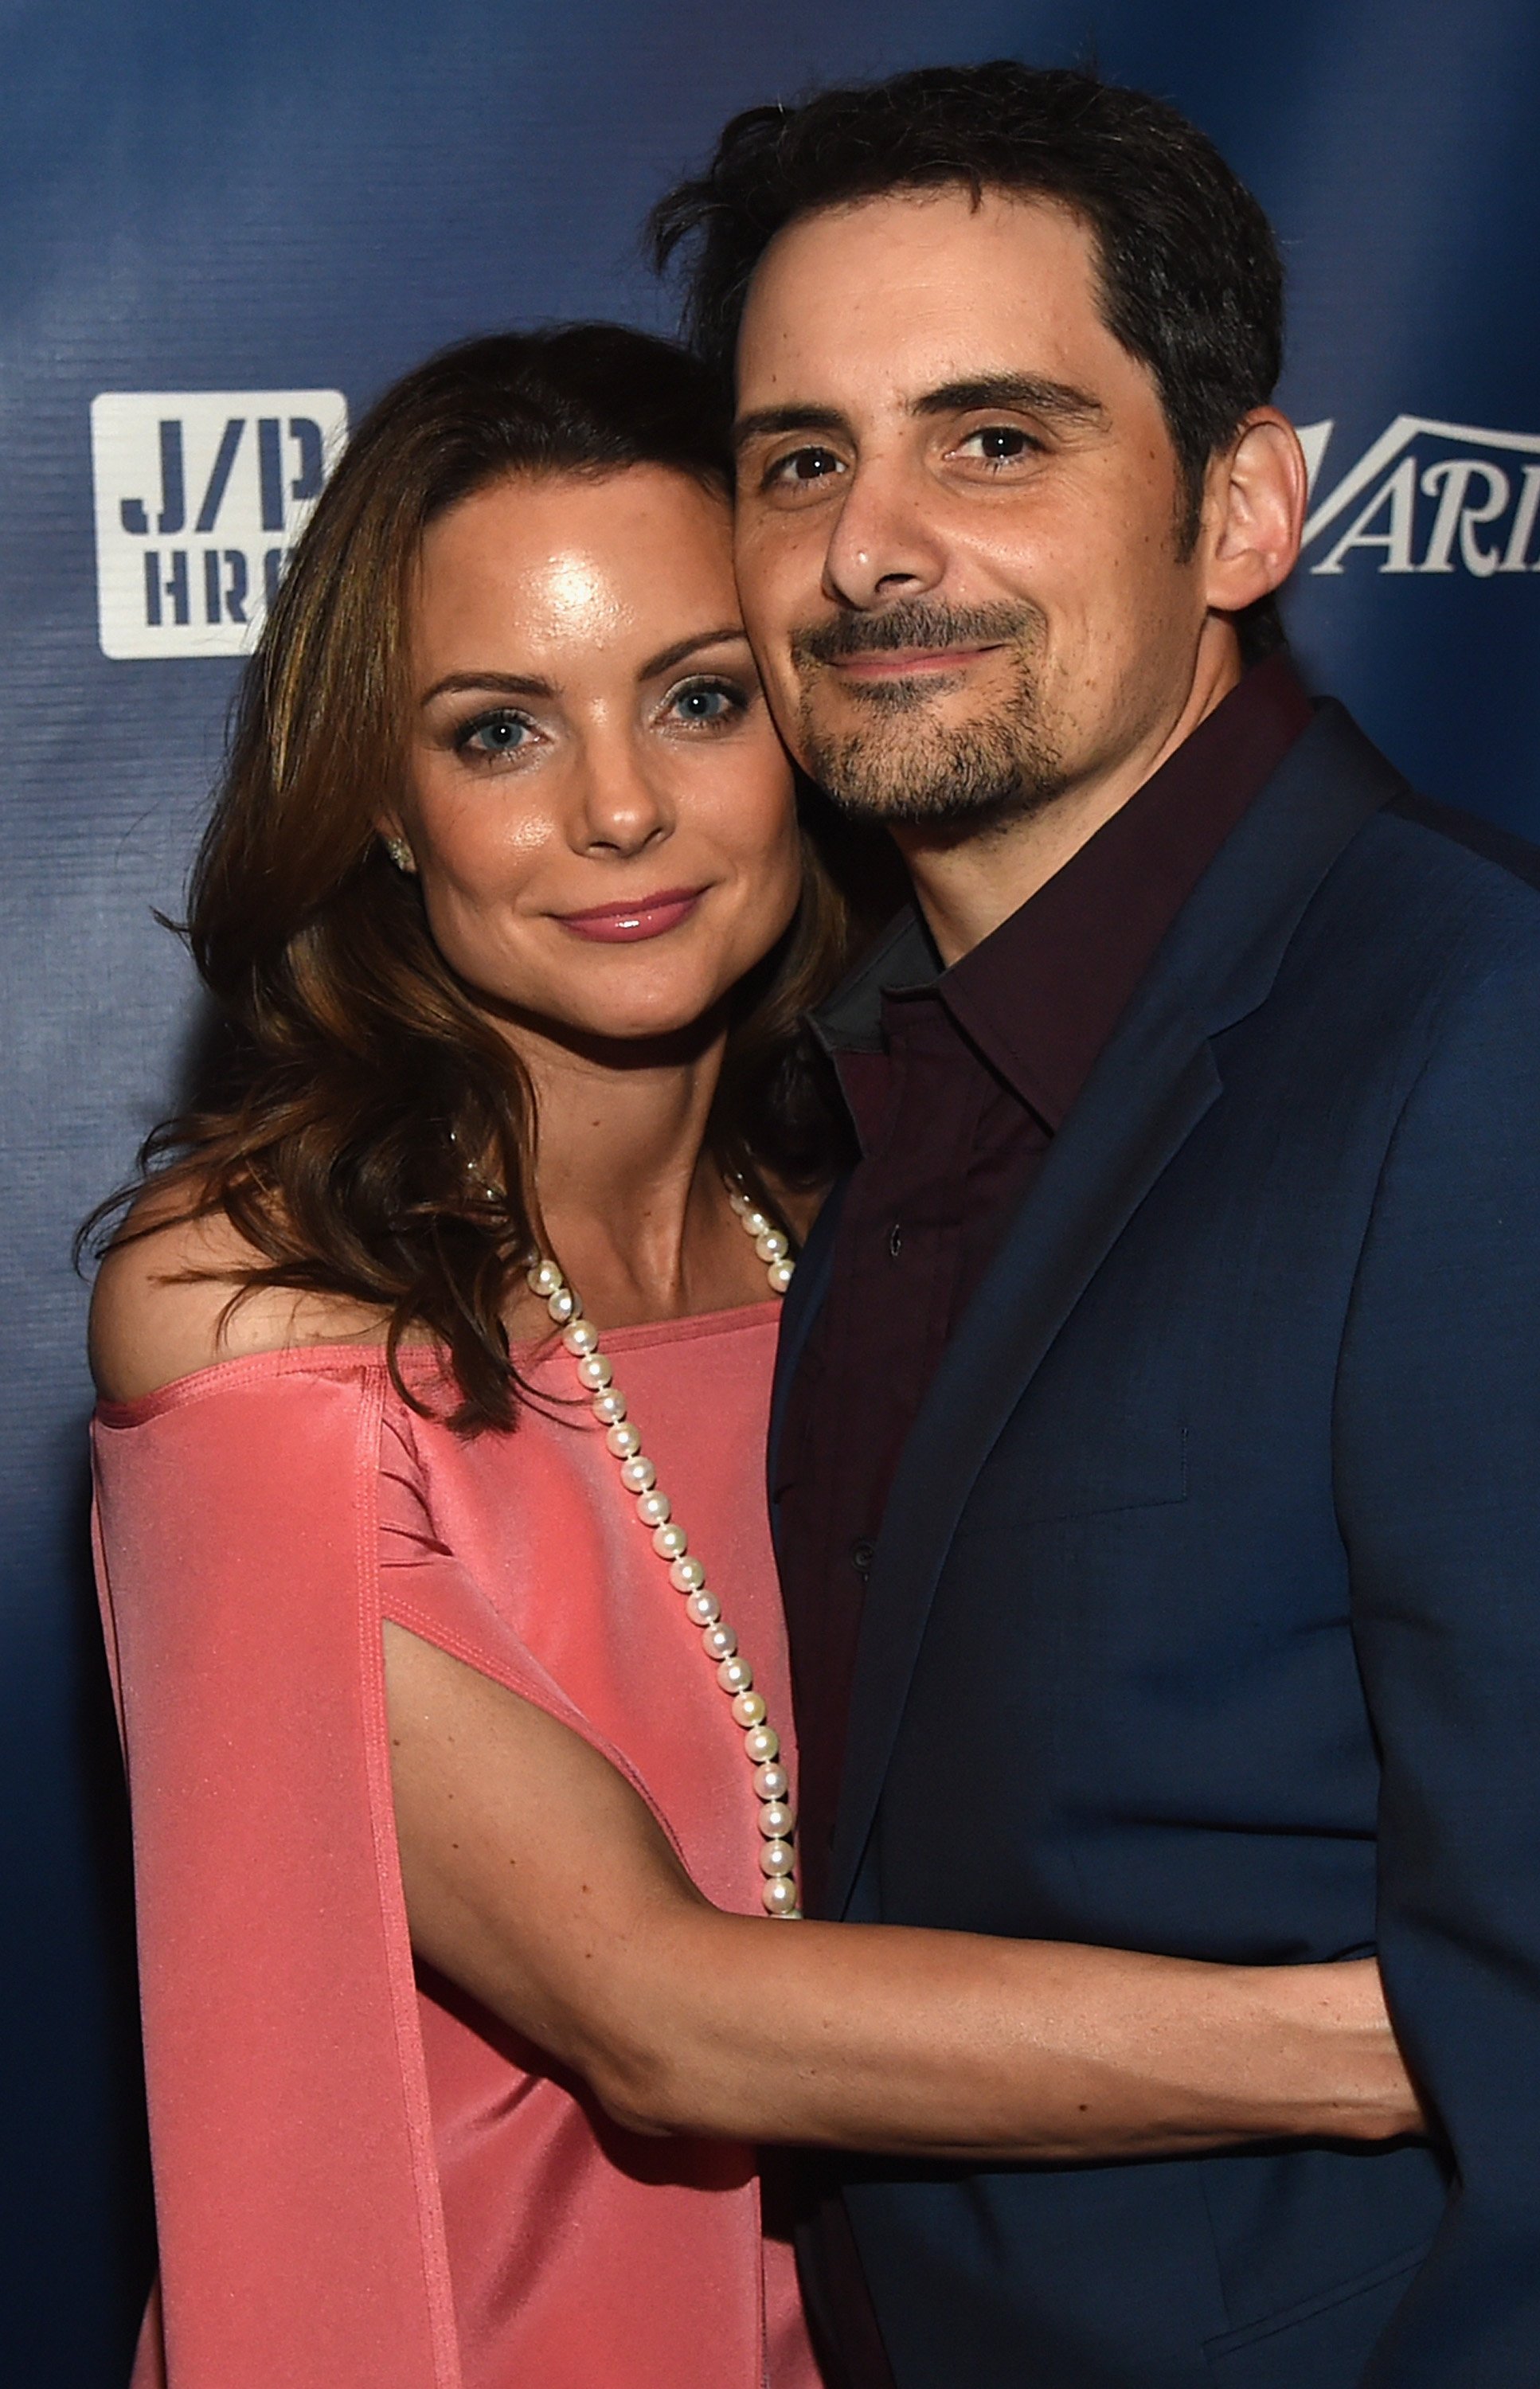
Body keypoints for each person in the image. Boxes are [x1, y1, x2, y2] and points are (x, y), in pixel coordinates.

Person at [648, 60, 1540, 2389]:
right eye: (799, 457)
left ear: (1239, 508)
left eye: (992, 438)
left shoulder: (1517, 1043)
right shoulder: (862, 1098)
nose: (870, 546)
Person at [85, 325, 1421, 2389]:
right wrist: (1421, 2040)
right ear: (380, 801)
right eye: (501, 731)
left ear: (812, 720)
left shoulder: (888, 1245)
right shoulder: (260, 1303)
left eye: (697, 698)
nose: (621, 807)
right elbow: (653, 2010)